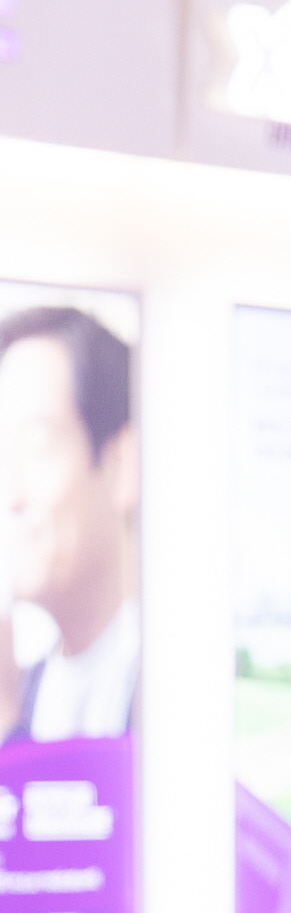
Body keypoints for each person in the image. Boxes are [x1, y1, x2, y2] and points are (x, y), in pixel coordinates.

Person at [0, 304, 141, 746]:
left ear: (122, 464)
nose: (9, 494)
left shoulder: (185, 689)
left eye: (36, 445)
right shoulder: (25, 693)